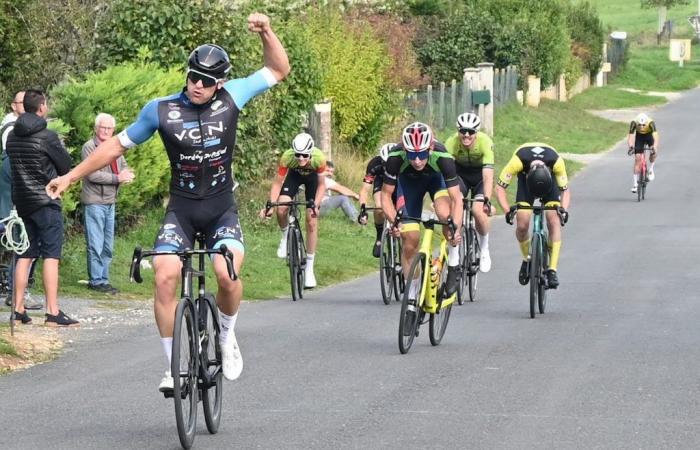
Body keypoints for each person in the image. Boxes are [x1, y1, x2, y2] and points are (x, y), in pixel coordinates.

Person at [46, 13, 290, 390]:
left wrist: (266, 32)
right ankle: (173, 366)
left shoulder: (233, 96)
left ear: (219, 83)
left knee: (227, 275)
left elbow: (278, 68)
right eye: (192, 76)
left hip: (221, 206)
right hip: (182, 209)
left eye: (206, 81)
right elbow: (115, 145)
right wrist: (70, 177)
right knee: (163, 277)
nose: (197, 85)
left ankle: (226, 336)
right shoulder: (160, 110)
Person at [6, 89, 77, 326]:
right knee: (51, 255)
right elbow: (66, 165)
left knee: (24, 253)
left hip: (23, 201)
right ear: (42, 107)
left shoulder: (12, 136)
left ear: (23, 106)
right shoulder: (47, 136)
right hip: (46, 200)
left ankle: (17, 310)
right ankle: (52, 312)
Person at [380, 122, 463, 297]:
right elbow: (386, 196)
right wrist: (394, 221)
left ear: (430, 148)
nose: (417, 160)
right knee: (410, 239)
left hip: (436, 180)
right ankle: (412, 294)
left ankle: (454, 262)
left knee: (444, 213)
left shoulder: (442, 156)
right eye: (412, 154)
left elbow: (456, 198)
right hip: (409, 185)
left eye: (422, 154)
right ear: (405, 150)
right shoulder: (395, 157)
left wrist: (456, 227)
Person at [495, 143, 570, 289]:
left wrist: (563, 209)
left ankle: (552, 270)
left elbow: (565, 191)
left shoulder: (556, 162)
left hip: (550, 183)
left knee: (553, 219)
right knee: (522, 223)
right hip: (526, 184)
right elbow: (499, 188)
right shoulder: (518, 161)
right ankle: (527, 259)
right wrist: (507, 211)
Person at [260, 132, 326, 288]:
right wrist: (271, 204)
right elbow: (277, 184)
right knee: (281, 208)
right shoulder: (288, 157)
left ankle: (309, 268)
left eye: (304, 155)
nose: (301, 159)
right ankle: (285, 237)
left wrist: (315, 205)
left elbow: (322, 185)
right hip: (294, 177)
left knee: (311, 220)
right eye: (298, 155)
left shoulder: (319, 158)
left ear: (310, 152)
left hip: (313, 181)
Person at [81, 113, 135, 294]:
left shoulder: (115, 147)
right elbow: (91, 174)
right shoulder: (89, 147)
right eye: (102, 127)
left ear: (114, 130)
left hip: (110, 201)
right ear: (96, 129)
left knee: (107, 245)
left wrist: (127, 173)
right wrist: (117, 178)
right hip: (94, 201)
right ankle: (96, 281)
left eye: (109, 128)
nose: (105, 131)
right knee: (95, 244)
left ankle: (104, 279)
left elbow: (124, 164)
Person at [0, 90, 42, 309]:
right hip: (13, 202)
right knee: (22, 243)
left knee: (23, 243)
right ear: (13, 106)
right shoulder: (11, 129)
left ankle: (17, 291)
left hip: (17, 199)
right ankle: (16, 292)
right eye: (20, 102)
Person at [444, 112, 494, 272]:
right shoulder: (451, 142)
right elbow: (446, 173)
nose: (466, 135)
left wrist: (486, 199)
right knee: (455, 202)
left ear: (476, 133)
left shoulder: (485, 142)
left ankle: (484, 249)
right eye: (463, 131)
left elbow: (487, 176)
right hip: (461, 176)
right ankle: (455, 252)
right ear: (458, 131)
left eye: (471, 132)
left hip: (480, 177)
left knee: (477, 210)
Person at [358, 143, 395, 257]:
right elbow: (365, 189)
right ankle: (380, 236)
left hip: (398, 182)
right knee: (379, 207)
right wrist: (363, 209)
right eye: (385, 164)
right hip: (382, 182)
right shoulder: (374, 164)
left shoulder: (402, 162)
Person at [627, 112, 659, 193]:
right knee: (637, 158)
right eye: (640, 125)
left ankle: (651, 169)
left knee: (654, 153)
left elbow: (656, 137)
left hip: (649, 136)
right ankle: (635, 185)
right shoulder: (634, 122)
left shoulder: (651, 123)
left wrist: (654, 147)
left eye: (643, 125)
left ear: (646, 123)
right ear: (637, 122)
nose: (641, 127)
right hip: (639, 138)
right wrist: (631, 147)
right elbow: (630, 137)